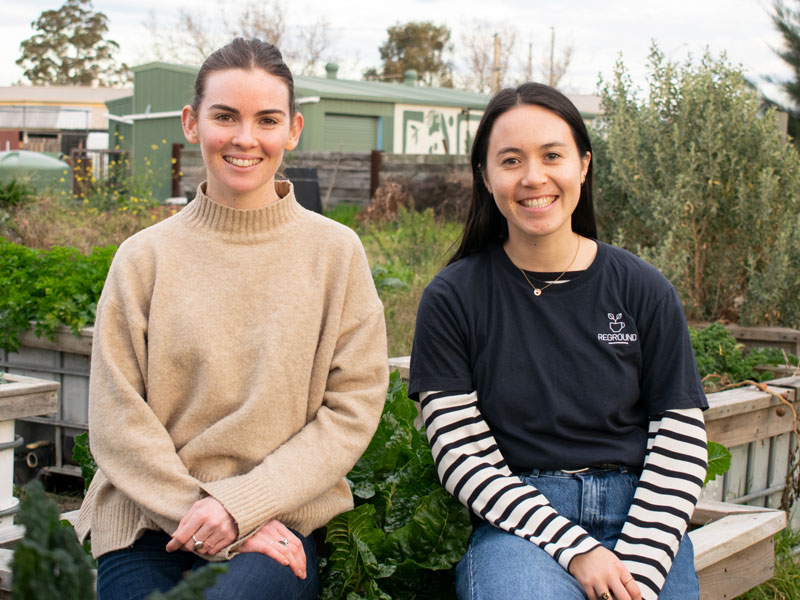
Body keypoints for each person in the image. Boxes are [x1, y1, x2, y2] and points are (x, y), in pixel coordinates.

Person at [74, 38, 389, 600]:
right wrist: (204, 513)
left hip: (276, 526)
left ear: (292, 131)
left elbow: (353, 408)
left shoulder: (335, 254)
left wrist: (242, 508)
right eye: (225, 117)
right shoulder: (144, 258)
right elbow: (117, 419)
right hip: (148, 525)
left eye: (266, 120)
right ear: (192, 123)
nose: (245, 139)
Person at [408, 83, 708, 600]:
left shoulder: (643, 288)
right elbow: (461, 454)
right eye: (510, 160)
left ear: (584, 164)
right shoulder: (453, 297)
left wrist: (636, 566)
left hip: (643, 516)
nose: (533, 177)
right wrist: (578, 549)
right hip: (518, 523)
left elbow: (680, 439)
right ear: (485, 176)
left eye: (552, 155)